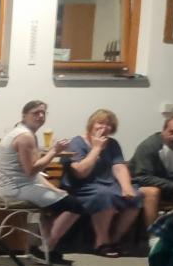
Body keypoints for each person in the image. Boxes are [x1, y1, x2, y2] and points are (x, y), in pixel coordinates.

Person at [0, 100, 82, 265]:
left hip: (11, 186)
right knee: (75, 206)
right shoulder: (25, 137)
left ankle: (46, 249)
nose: (40, 116)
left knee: (56, 203)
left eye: (43, 113)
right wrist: (54, 151)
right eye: (35, 113)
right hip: (15, 189)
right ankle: (46, 249)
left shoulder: (22, 133)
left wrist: (54, 189)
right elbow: (31, 170)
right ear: (24, 116)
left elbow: (33, 174)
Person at [60, 108, 142, 257]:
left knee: (136, 196)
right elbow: (81, 172)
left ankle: (114, 240)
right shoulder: (76, 143)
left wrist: (126, 186)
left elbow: (118, 166)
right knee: (105, 195)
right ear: (91, 124)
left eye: (108, 124)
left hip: (107, 184)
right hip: (82, 187)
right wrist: (96, 148)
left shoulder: (112, 144)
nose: (104, 127)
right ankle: (101, 242)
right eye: (100, 123)